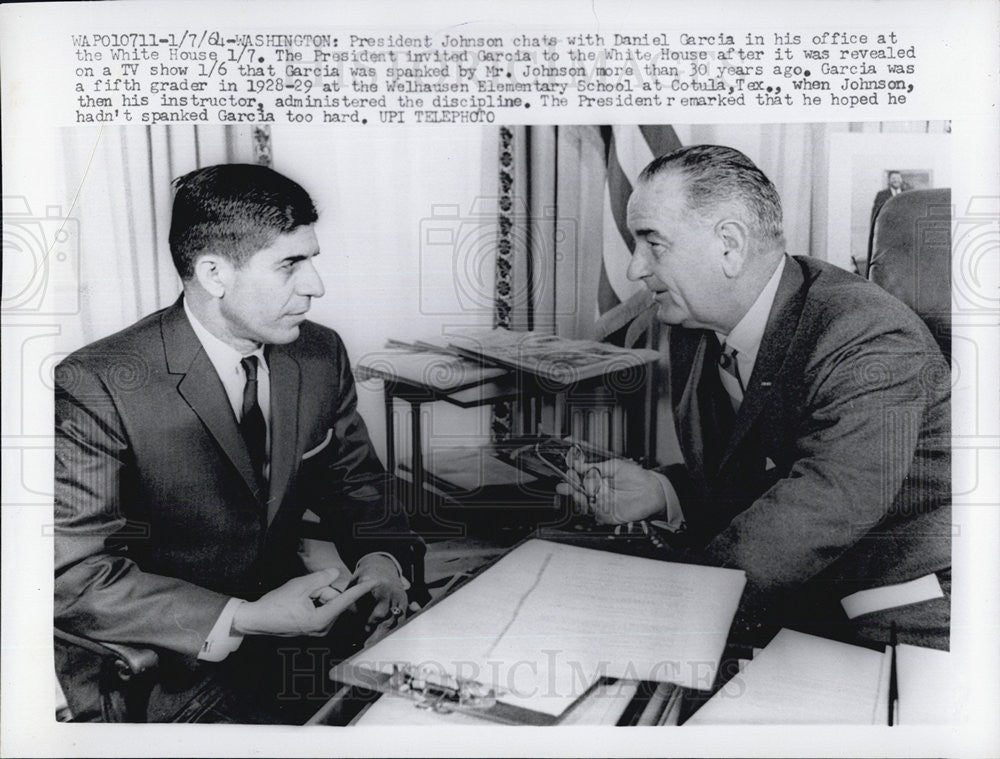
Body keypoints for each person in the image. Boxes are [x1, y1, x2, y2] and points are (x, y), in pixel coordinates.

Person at [54, 164, 421, 722]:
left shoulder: (317, 354)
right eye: (290, 265)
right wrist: (244, 617)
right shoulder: (96, 383)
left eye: (312, 260)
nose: (315, 285)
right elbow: (70, 577)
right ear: (213, 273)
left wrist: (381, 559)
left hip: (299, 632)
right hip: (164, 663)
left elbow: (359, 485)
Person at [559, 146, 950, 650]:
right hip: (797, 587)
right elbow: (760, 471)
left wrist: (664, 612)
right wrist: (663, 492)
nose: (635, 269)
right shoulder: (696, 324)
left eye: (652, 243)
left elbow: (819, 510)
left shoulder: (866, 334)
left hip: (896, 603)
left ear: (729, 245)